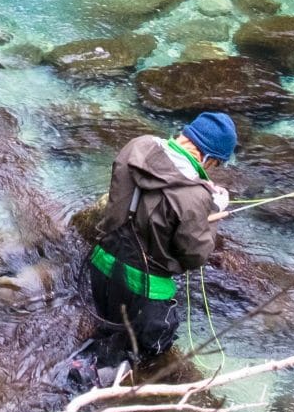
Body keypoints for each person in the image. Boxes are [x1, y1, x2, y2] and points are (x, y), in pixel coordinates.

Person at [84, 111, 235, 376]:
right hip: (145, 293)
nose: (213, 170)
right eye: (217, 164)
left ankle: (91, 366)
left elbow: (154, 189)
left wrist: (200, 193)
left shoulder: (138, 146)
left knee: (108, 329)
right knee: (152, 351)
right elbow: (194, 256)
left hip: (100, 266)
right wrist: (211, 213)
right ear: (208, 158)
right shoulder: (193, 197)